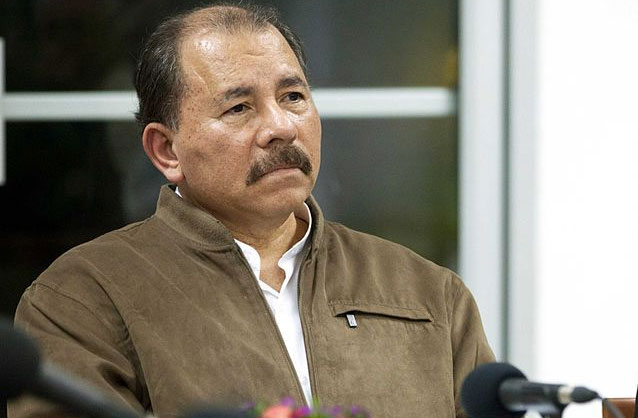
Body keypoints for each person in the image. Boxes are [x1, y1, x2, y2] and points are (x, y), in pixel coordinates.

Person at [9, 3, 494, 418]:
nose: (281, 127)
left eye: (293, 97)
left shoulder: (426, 292)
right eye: (239, 108)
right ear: (166, 151)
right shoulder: (83, 297)